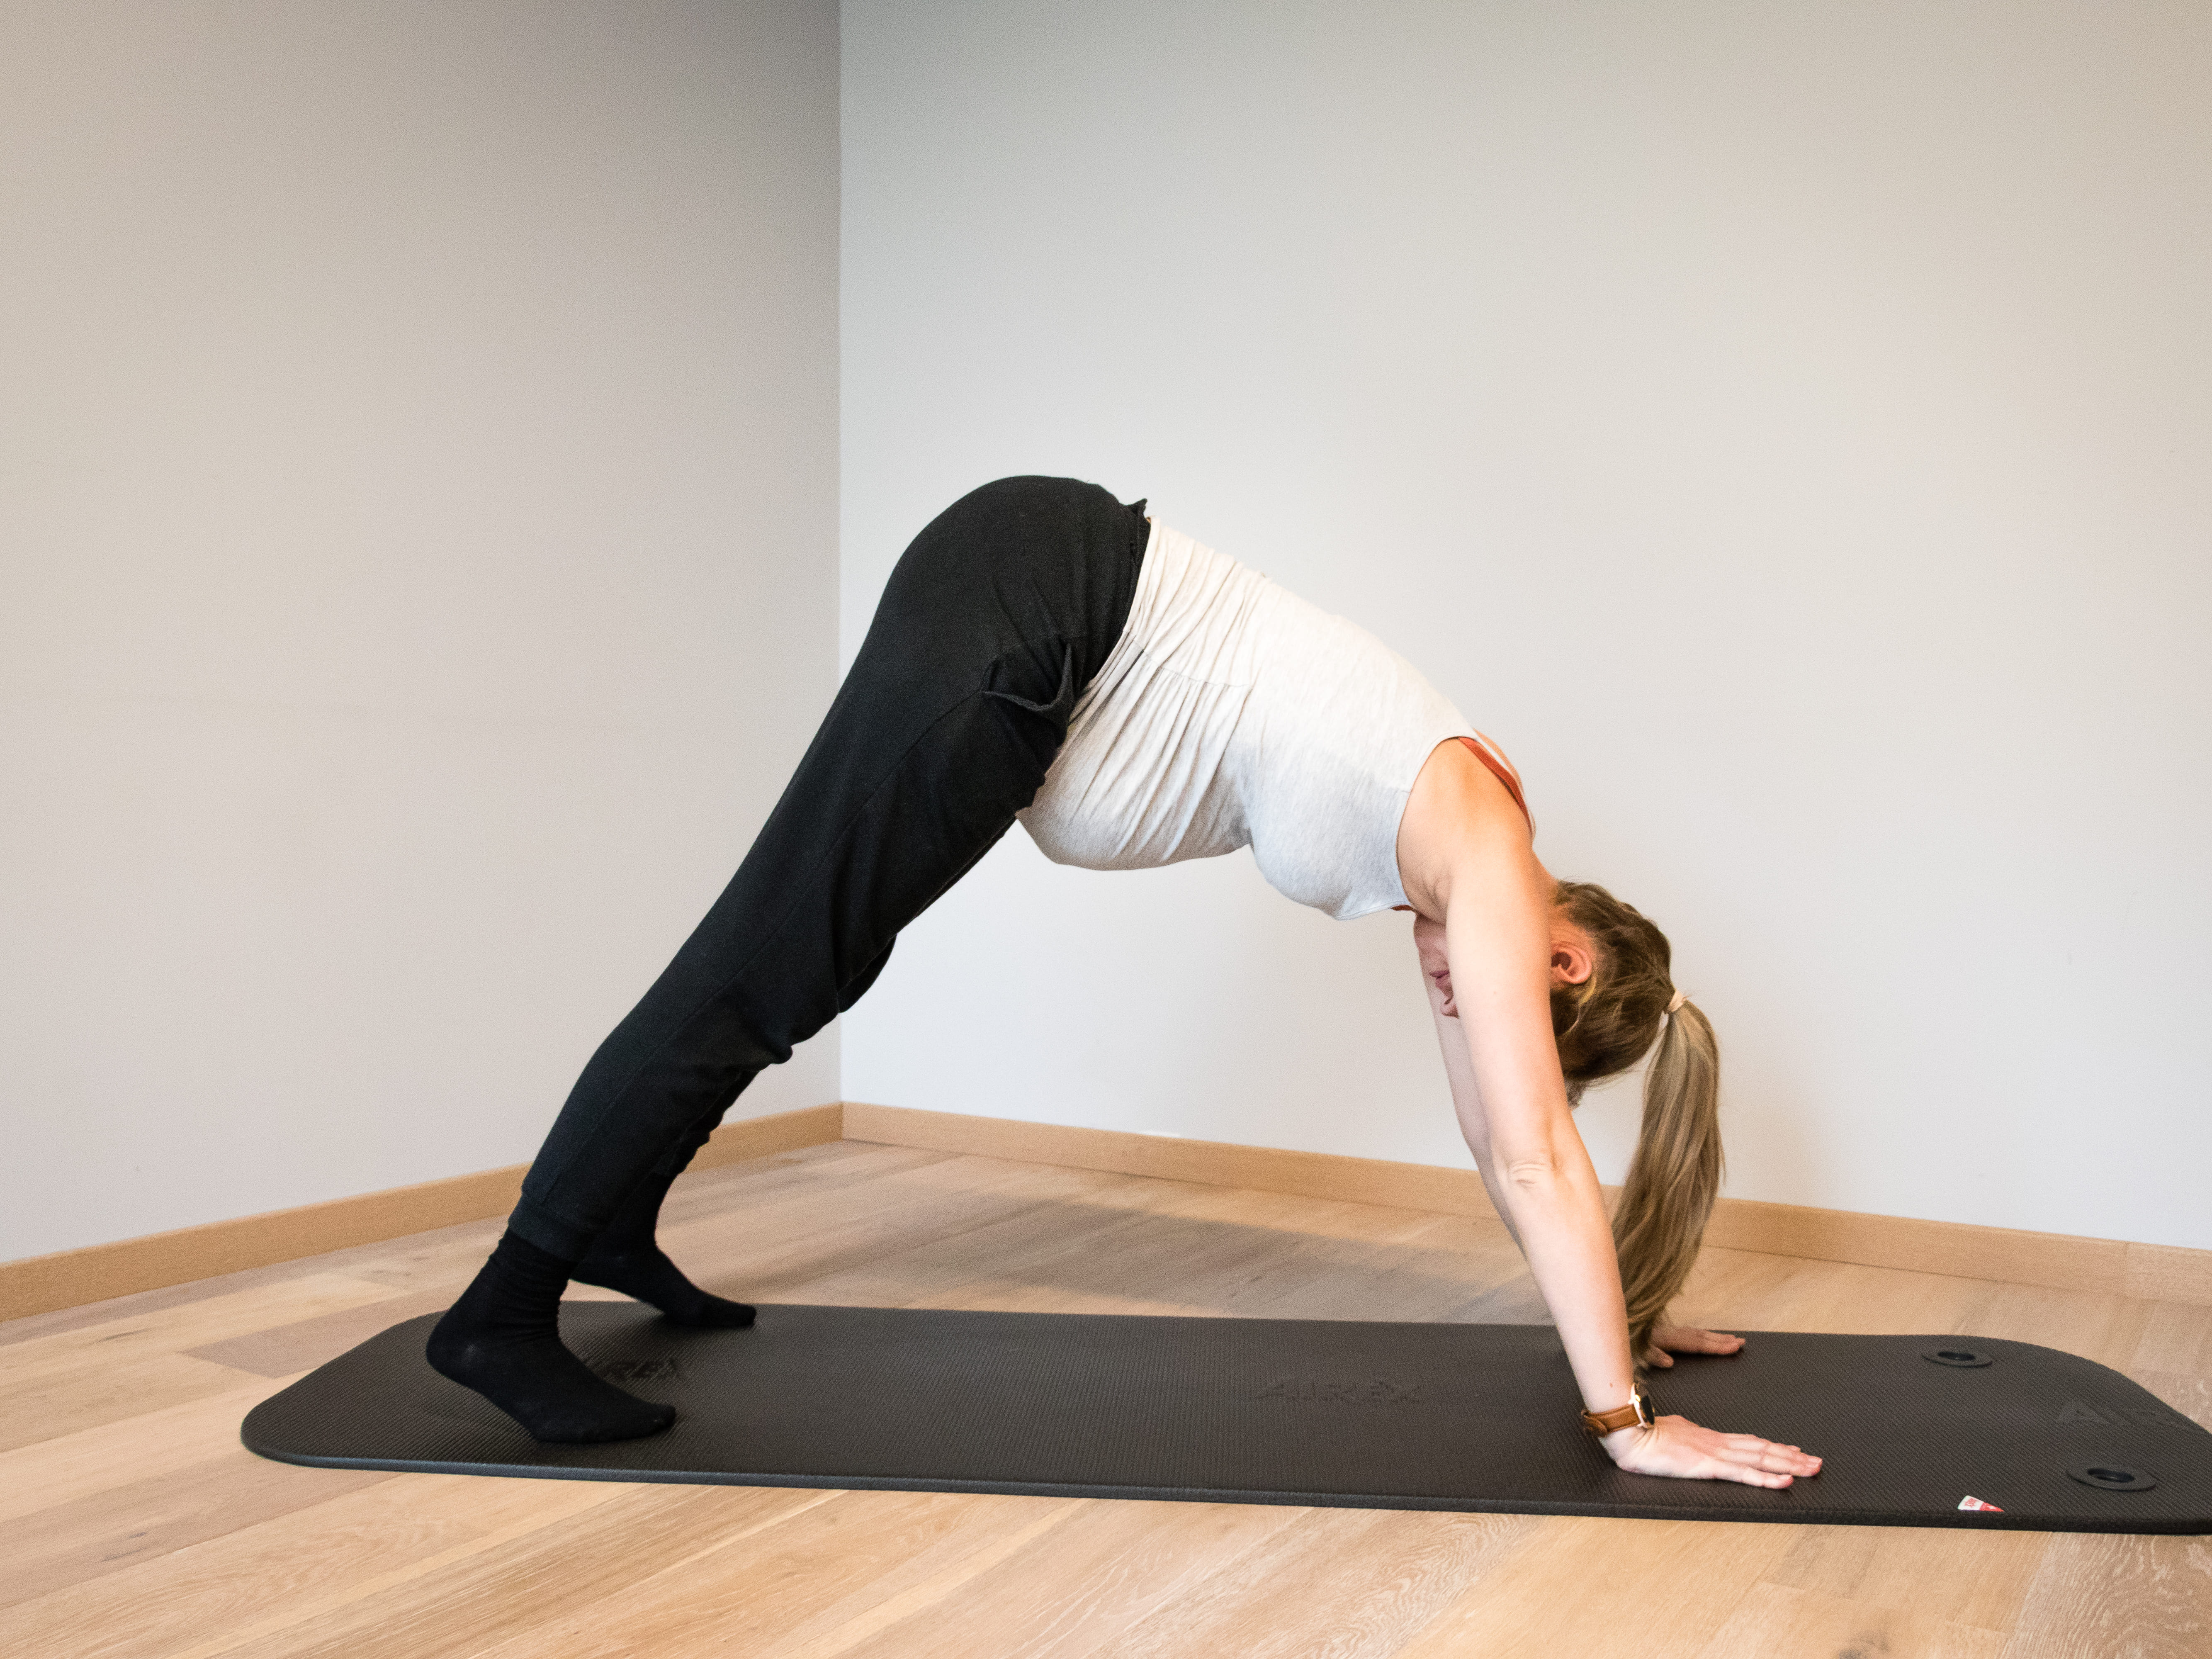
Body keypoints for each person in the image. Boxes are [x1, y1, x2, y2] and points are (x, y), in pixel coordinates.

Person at [427, 475, 1822, 1490]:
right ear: (1563, 957)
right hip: (1030, 607)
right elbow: (1535, 1149)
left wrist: (1619, 1334)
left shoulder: (1461, 865)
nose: (1466, 1011)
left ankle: (613, 1226)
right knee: (765, 962)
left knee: (810, 962)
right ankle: (505, 1310)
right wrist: (1626, 1428)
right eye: (1506, 1008)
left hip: (1036, 604)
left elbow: (1492, 1134)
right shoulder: (1491, 867)